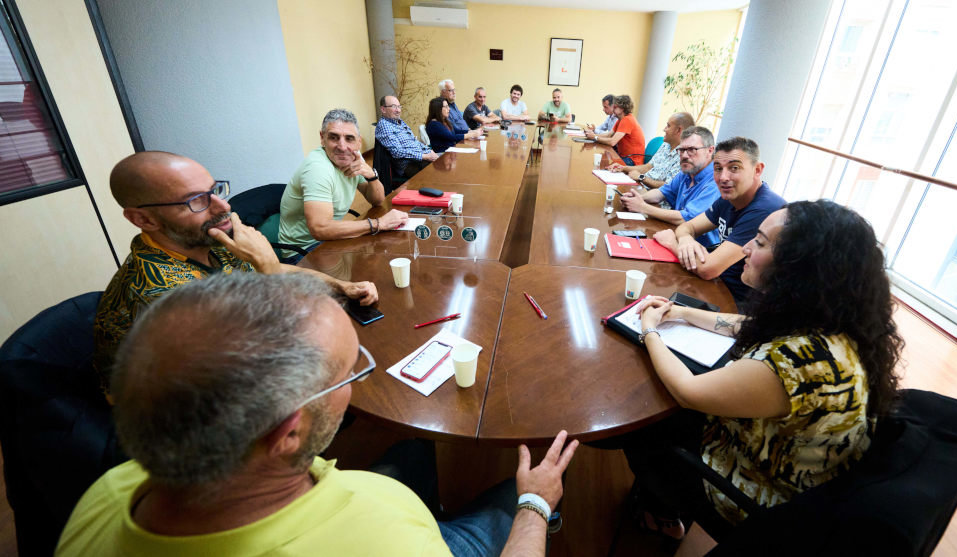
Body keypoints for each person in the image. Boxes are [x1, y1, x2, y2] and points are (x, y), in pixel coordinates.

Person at [59, 272, 580, 556]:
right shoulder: (383, 534)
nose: (357, 379)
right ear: (288, 432)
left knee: (409, 450)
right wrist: (535, 504)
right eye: (349, 372)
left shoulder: (104, 497)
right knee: (517, 496)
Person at [623, 200, 903, 547]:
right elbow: (748, 325)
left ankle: (663, 517)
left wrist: (648, 330)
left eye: (759, 242)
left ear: (798, 268)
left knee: (646, 426)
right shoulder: (834, 322)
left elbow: (687, 390)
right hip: (794, 470)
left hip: (759, 500)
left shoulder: (797, 363)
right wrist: (682, 313)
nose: (745, 247)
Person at [92, 151, 378, 397]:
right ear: (143, 219)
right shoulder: (160, 294)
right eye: (196, 201)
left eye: (215, 190)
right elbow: (264, 350)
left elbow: (277, 270)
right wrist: (267, 267)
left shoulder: (206, 239)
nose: (224, 207)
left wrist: (342, 286)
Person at [653, 137, 786, 303]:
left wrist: (672, 243)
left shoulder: (764, 209)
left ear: (757, 170)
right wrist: (686, 240)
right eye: (718, 168)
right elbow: (687, 227)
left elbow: (708, 269)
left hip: (739, 302)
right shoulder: (729, 197)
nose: (723, 177)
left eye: (734, 168)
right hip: (714, 284)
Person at [278, 108, 409, 261]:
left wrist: (371, 175)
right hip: (304, 252)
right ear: (322, 138)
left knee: (384, 255)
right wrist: (379, 223)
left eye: (349, 138)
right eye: (334, 137)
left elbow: (378, 200)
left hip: (328, 240)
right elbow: (320, 229)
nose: (342, 146)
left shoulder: (352, 158)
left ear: (359, 141)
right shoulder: (317, 168)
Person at [619, 126, 720, 245]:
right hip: (675, 236)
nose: (685, 155)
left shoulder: (715, 182)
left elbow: (685, 218)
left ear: (710, 150)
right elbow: (661, 192)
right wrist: (638, 198)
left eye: (692, 149)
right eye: (682, 150)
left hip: (699, 249)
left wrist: (642, 207)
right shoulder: (686, 172)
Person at [609, 112, 694, 189]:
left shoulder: (685, 156)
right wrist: (624, 168)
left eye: (668, 126)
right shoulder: (666, 145)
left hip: (655, 198)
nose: (664, 129)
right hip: (642, 186)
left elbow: (668, 186)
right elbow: (648, 167)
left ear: (678, 130)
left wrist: (641, 178)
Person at [375, 94, 438, 178]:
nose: (398, 110)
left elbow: (414, 141)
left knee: (448, 158)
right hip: (410, 165)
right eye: (394, 107)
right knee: (442, 167)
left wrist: (429, 151)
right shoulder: (384, 125)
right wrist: (425, 156)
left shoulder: (400, 122)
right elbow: (397, 152)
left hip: (421, 158)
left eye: (399, 106)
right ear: (383, 109)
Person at [584, 94, 645, 165]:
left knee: (604, 166)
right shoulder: (620, 119)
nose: (613, 109)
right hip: (624, 157)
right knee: (602, 164)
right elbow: (608, 135)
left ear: (622, 109)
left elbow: (612, 141)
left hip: (632, 160)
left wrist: (595, 137)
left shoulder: (627, 120)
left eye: (615, 107)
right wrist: (593, 135)